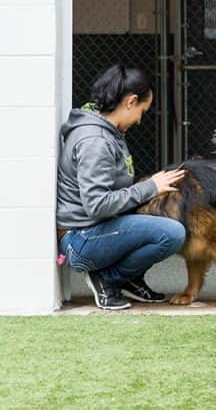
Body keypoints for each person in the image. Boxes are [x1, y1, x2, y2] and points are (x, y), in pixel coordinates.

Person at [56, 64, 187, 310]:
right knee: (172, 233)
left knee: (165, 218)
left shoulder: (107, 131)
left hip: (94, 231)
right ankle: (108, 279)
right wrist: (150, 187)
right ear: (130, 101)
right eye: (142, 111)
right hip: (80, 240)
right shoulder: (95, 141)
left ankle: (129, 278)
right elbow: (97, 205)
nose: (139, 120)